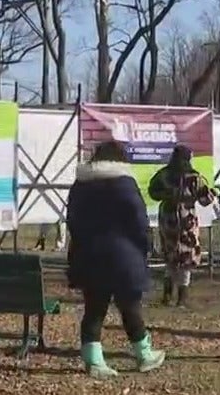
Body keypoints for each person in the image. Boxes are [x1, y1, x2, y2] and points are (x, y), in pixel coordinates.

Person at [66, 140, 165, 378]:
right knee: (130, 307)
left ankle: (94, 361)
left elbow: (72, 220)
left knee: (94, 309)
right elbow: (139, 222)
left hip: (89, 255)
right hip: (124, 255)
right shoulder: (125, 183)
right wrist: (144, 247)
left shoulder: (81, 184)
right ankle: (144, 354)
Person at [148, 145, 215, 307]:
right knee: (186, 257)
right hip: (187, 220)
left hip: (168, 219)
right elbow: (206, 199)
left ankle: (167, 295)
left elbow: (152, 192)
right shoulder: (194, 177)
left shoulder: (163, 174)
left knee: (170, 256)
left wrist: (168, 195)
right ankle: (182, 297)